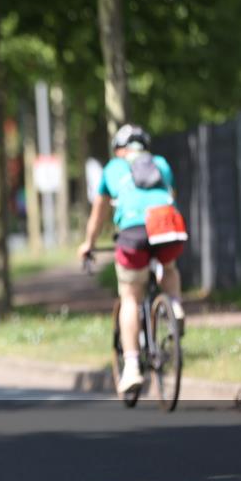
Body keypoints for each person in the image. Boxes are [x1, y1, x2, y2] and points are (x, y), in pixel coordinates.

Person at [77, 124, 187, 394]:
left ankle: (132, 367)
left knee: (129, 297)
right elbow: (170, 196)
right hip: (167, 226)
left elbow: (98, 215)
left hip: (133, 232)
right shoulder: (160, 163)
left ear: (119, 149)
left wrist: (88, 244)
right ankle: (175, 305)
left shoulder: (113, 168)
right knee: (168, 265)